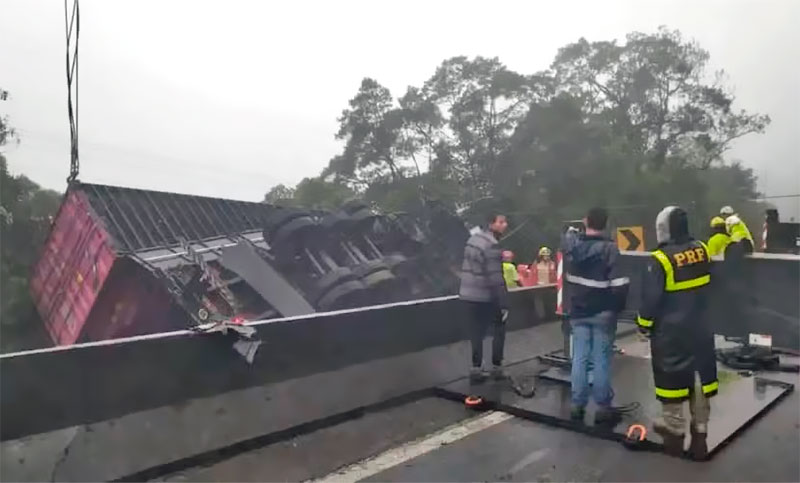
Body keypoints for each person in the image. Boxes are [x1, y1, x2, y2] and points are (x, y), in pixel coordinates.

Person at [637, 206, 717, 460]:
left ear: (664, 228)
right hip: (701, 325)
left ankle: (674, 425)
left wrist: (643, 325)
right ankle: (701, 425)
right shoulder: (702, 249)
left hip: (671, 331)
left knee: (670, 375)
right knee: (700, 374)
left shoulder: (660, 259)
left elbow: (651, 298)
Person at [561, 207, 629, 424]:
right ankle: (603, 407)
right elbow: (620, 286)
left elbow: (565, 241)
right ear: (606, 223)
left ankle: (577, 405)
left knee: (579, 358)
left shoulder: (573, 247)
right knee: (601, 359)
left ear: (585, 221)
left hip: (578, 311)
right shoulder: (610, 249)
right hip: (603, 312)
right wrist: (616, 309)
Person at [459, 213, 510, 382]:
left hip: (467, 295)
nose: (505, 225)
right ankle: (497, 368)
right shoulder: (492, 245)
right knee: (499, 328)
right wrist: (503, 303)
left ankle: (476, 369)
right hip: (484, 296)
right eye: (501, 222)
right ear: (491, 224)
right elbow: (495, 277)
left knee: (476, 333)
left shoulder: (472, 240)